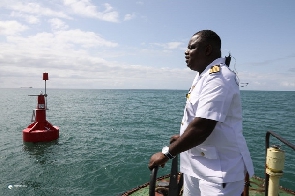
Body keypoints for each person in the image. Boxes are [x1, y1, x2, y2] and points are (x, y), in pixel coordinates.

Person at [148, 30, 254, 196]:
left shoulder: (219, 77)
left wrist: (167, 153)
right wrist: (183, 137)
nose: (186, 51)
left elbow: (202, 127)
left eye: (192, 47)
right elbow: (198, 118)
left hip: (219, 173)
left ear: (207, 50)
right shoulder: (203, 76)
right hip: (195, 167)